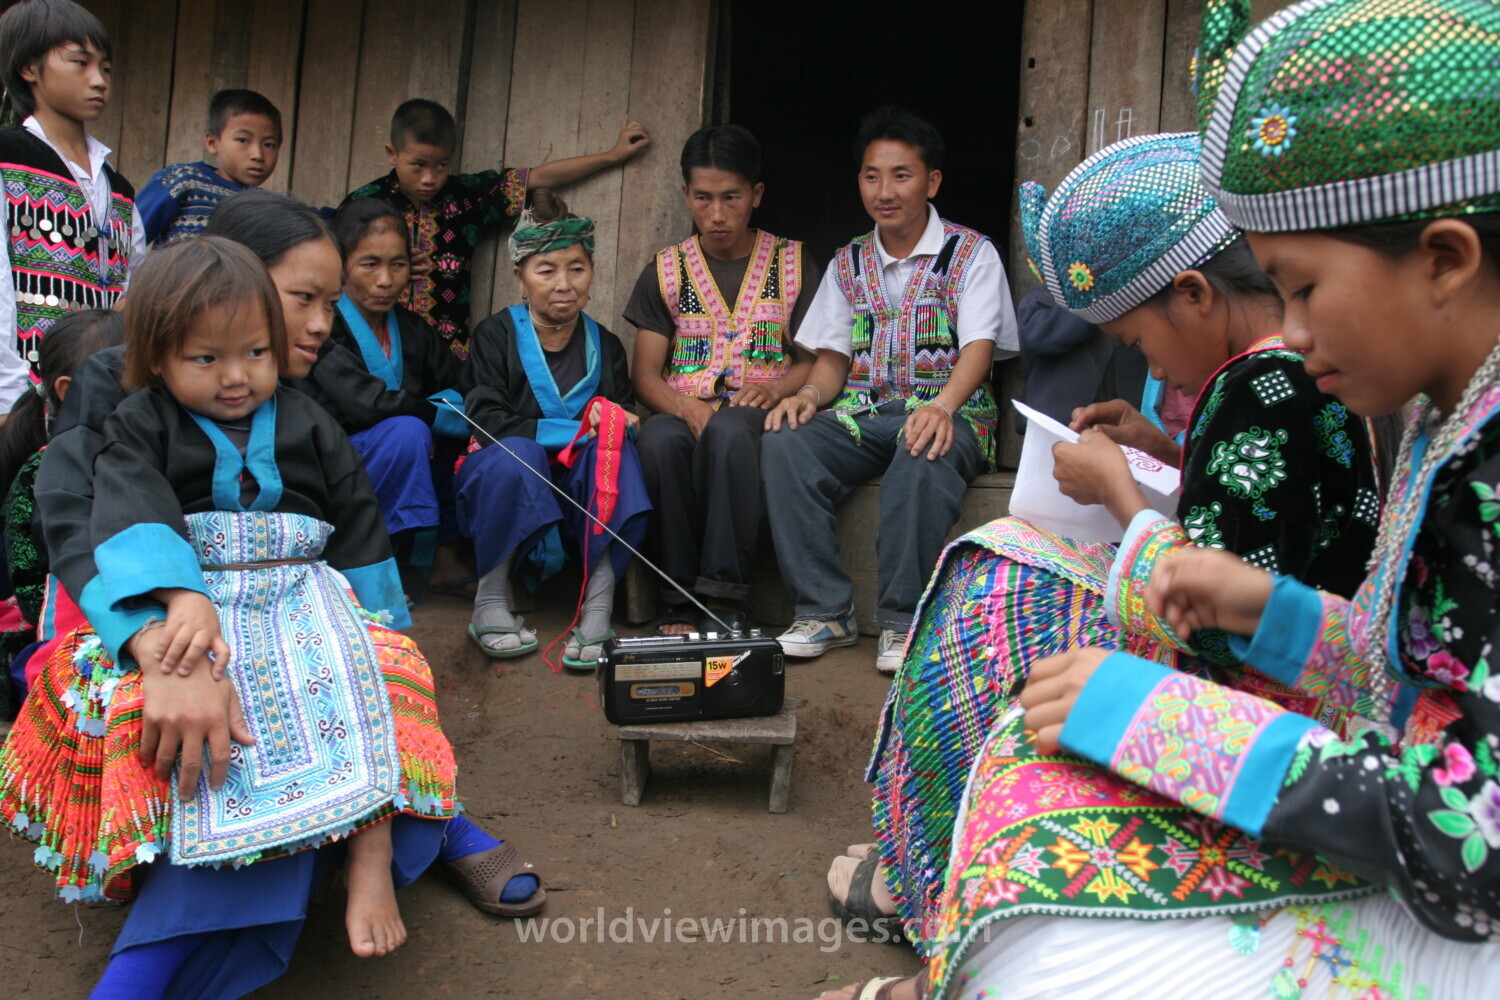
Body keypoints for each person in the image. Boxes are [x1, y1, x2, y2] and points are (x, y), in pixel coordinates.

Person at [833, 2, 1500, 997]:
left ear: (1444, 260)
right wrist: (1261, 606)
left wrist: (1157, 717)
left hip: (1454, 916)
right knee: (1030, 757)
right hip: (1391, 812)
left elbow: (1468, 851)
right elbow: (1394, 667)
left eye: (1305, 288)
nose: (1296, 329)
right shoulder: (1448, 420)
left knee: (1041, 929)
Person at [831, 131, 1384, 964]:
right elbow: (1256, 517)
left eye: (1135, 342)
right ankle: (932, 868)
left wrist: (1120, 493)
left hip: (1276, 681)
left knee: (995, 604)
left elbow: (1224, 599)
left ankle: (933, 887)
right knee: (999, 561)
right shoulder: (1268, 376)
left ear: (1194, 294)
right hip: (1296, 646)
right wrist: (1165, 451)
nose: (1143, 358)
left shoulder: (1263, 386)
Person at [762, 107, 1019, 673]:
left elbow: (980, 346)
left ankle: (903, 621)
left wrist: (942, 406)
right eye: (872, 175)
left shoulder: (971, 253)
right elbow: (832, 359)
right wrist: (807, 397)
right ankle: (824, 610)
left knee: (923, 445)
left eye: (901, 175)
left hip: (954, 413)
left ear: (931, 182)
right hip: (863, 415)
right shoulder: (849, 260)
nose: (885, 190)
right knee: (785, 442)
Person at [626, 124, 817, 633]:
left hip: (757, 410)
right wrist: (688, 408)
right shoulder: (666, 271)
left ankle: (723, 593)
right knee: (659, 442)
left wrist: (777, 388)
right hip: (683, 406)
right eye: (703, 197)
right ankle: (679, 598)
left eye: (731, 197)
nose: (717, 213)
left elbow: (814, 359)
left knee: (732, 431)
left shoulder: (792, 262)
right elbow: (645, 373)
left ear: (755, 195)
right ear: (685, 194)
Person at [456, 190, 649, 666]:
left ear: (592, 274)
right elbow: (488, 420)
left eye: (576, 269)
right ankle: (490, 603)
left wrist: (621, 421)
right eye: (546, 271)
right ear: (520, 279)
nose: (564, 284)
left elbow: (621, 413)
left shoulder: (605, 345)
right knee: (515, 453)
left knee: (616, 453)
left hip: (580, 489)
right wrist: (579, 429)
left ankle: (597, 612)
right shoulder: (495, 336)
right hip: (508, 481)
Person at [341, 98, 650, 360]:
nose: (429, 178)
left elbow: (537, 178)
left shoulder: (466, 197)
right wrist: (393, 264)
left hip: (450, 356)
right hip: (374, 350)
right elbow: (335, 266)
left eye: (441, 165)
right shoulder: (364, 204)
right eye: (417, 164)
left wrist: (613, 155)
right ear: (392, 153)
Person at [300, 198, 469, 595]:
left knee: (456, 438)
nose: (386, 280)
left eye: (397, 264)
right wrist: (427, 415)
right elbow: (364, 403)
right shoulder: (325, 327)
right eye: (370, 264)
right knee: (409, 432)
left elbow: (459, 388)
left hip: (401, 457)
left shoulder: (413, 329)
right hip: (333, 464)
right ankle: (376, 568)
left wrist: (437, 416)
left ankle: (441, 558)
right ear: (342, 267)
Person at [0, 0, 144, 412]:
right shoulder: (8, 161)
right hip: (25, 395)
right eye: (80, 63)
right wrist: (8, 398)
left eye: (106, 69)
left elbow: (134, 283)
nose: (99, 80)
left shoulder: (119, 189)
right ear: (29, 68)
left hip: (105, 395)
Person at [0, 308, 120, 706]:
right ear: (70, 389)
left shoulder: (141, 458)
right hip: (69, 655)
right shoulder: (45, 468)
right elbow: (29, 578)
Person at [135, 88, 283, 246]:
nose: (258, 154)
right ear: (212, 143)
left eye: (269, 144)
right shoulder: (183, 181)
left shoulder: (269, 208)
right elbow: (126, 233)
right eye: (243, 140)